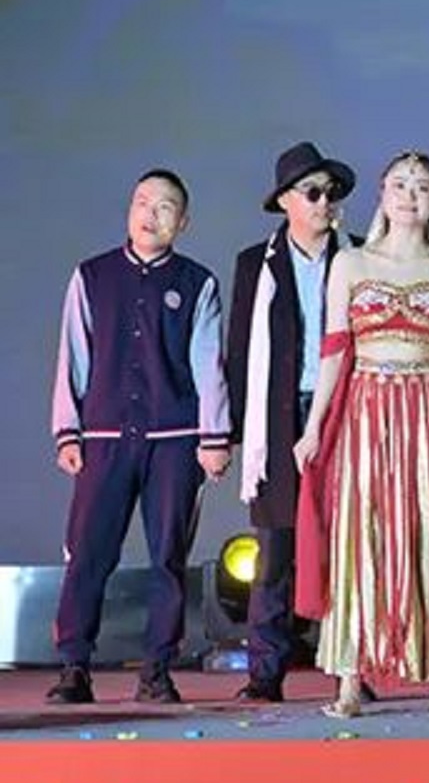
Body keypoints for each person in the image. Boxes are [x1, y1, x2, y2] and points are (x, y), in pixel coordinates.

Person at [294, 151, 429, 720]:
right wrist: (313, 427)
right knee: (363, 535)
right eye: (400, 184)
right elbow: (334, 351)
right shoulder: (350, 264)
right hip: (366, 412)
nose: (410, 194)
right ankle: (349, 679)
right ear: (382, 194)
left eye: (422, 186)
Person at [47, 170, 231, 705]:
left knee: (168, 556)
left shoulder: (197, 283)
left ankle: (157, 669)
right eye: (143, 202)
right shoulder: (93, 276)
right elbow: (72, 355)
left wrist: (214, 437)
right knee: (88, 552)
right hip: (104, 435)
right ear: (129, 210)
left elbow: (208, 364)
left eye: (166, 206)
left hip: (175, 439)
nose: (152, 214)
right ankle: (74, 665)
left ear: (183, 222)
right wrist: (68, 432)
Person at [224, 143, 357, 703]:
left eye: (331, 193)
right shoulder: (256, 263)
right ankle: (266, 672)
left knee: (349, 541)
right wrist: (230, 432)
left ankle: (351, 670)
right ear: (285, 201)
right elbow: (239, 349)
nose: (325, 202)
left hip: (343, 411)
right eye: (313, 192)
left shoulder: (356, 257)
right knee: (275, 547)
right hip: (278, 416)